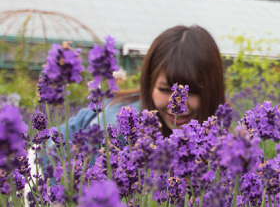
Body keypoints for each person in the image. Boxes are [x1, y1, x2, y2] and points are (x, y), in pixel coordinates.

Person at [59, 25, 226, 139]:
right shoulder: (119, 127)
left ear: (213, 89)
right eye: (166, 90)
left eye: (192, 92)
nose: (178, 104)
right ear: (149, 84)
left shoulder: (219, 127)